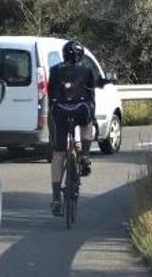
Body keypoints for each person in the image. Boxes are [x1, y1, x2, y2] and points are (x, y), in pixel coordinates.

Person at [48, 40, 96, 217]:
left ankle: (55, 198)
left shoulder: (55, 70)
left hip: (59, 112)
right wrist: (92, 117)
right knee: (87, 123)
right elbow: (91, 97)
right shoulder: (87, 70)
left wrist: (51, 121)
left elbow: (50, 95)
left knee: (58, 154)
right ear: (81, 55)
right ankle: (84, 155)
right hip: (81, 109)